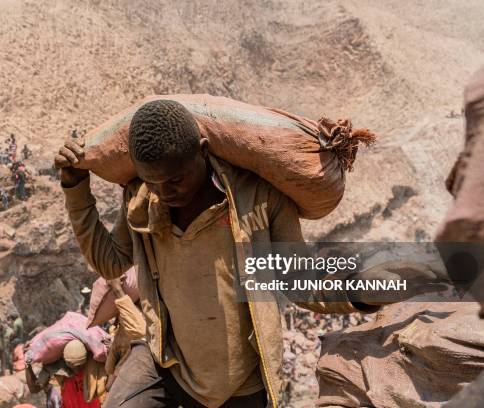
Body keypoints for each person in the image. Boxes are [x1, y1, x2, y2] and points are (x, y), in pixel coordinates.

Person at [54, 100, 440, 408]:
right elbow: (111, 261)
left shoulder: (257, 202)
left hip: (239, 386)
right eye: (154, 181)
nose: (165, 191)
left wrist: (373, 287)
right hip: (166, 360)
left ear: (202, 153)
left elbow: (303, 282)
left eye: (175, 179)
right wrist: (76, 189)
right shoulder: (142, 200)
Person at [25, 339, 102, 408]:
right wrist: (27, 365)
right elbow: (34, 388)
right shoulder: (59, 370)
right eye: (72, 365)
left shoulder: (94, 367)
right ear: (65, 360)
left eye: (79, 365)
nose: (76, 370)